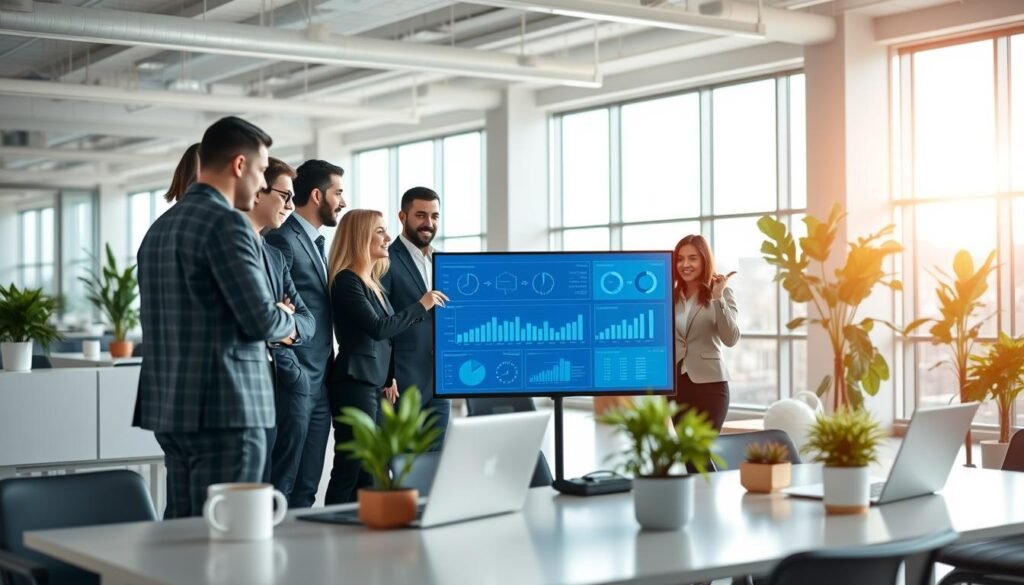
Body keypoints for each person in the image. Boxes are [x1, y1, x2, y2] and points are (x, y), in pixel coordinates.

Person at [134, 116, 297, 519]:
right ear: (239, 165)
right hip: (229, 408)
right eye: (261, 171)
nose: (261, 184)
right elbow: (261, 320)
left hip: (172, 407)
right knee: (228, 538)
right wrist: (285, 317)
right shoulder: (227, 224)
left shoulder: (157, 230)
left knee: (183, 532)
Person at [324, 209, 448, 504]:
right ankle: (327, 525)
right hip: (355, 381)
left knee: (371, 467)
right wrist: (422, 304)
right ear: (360, 237)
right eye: (380, 231)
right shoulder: (347, 281)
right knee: (350, 464)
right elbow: (379, 329)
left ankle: (361, 526)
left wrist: (390, 376)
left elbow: (389, 338)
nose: (388, 237)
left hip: (374, 382)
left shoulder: (372, 283)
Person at [264, 159, 346, 508]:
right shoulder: (282, 239)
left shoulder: (317, 243)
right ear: (317, 195)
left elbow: (306, 314)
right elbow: (270, 318)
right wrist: (292, 371)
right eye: (338, 193)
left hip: (321, 377)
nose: (343, 202)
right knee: (283, 485)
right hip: (295, 379)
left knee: (308, 485)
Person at [242, 157, 316, 485]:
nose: (290, 204)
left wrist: (282, 319)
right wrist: (280, 319)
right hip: (248, 390)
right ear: (259, 192)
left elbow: (309, 322)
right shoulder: (235, 247)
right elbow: (256, 319)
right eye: (284, 195)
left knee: (281, 487)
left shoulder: (274, 255)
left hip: (287, 383)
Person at [380, 187, 449, 449]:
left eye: (434, 216)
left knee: (436, 460)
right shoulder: (386, 260)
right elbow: (382, 321)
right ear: (403, 215)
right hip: (403, 381)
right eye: (420, 215)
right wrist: (388, 376)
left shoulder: (442, 259)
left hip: (441, 382)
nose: (428, 223)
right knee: (404, 462)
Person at [671, 234, 740, 432]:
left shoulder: (723, 293)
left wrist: (718, 298)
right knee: (688, 454)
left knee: (703, 452)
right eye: (680, 259)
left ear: (704, 260)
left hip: (711, 386)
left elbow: (731, 338)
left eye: (692, 258)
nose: (685, 264)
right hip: (677, 387)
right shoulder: (669, 296)